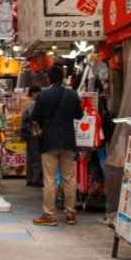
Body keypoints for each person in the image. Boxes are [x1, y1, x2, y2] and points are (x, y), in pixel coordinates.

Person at [31, 65, 83, 226]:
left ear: (49, 78)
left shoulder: (43, 95)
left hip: (49, 142)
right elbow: (79, 115)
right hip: (68, 141)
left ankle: (50, 215)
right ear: (63, 77)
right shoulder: (73, 95)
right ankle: (70, 214)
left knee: (50, 179)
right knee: (68, 178)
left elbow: (35, 116)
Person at [20, 85, 43, 187]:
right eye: (38, 92)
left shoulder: (27, 102)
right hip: (33, 132)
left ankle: (30, 178)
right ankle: (36, 179)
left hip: (27, 132)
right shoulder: (33, 103)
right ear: (34, 93)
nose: (40, 95)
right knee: (36, 156)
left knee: (30, 156)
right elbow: (34, 117)